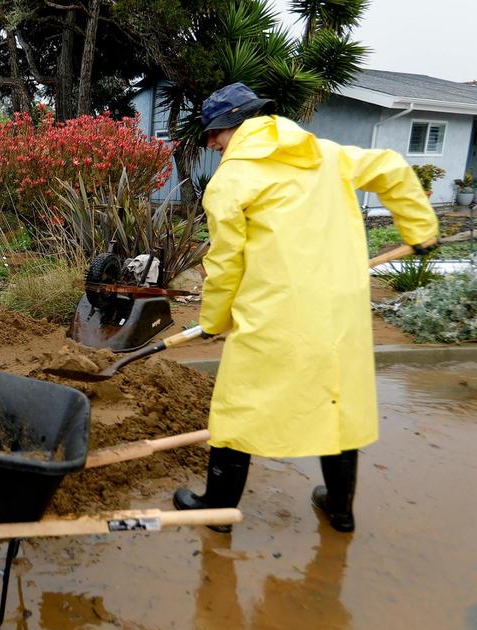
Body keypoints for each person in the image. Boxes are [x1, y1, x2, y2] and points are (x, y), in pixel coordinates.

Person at [173, 83, 439, 533]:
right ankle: (340, 510)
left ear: (231, 127)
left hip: (273, 315)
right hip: (339, 314)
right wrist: (420, 227)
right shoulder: (327, 155)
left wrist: (215, 320)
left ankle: (216, 510)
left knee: (238, 407)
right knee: (337, 401)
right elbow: (391, 167)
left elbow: (224, 265)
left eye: (213, 135)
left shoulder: (231, 182)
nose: (212, 145)